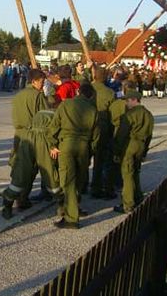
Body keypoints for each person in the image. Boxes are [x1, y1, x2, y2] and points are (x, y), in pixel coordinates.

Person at [50, 83, 100, 229]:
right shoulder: (93, 110)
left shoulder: (66, 105)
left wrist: (53, 144)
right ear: (90, 95)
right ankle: (74, 207)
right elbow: (96, 136)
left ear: (78, 92)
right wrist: (91, 151)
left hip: (67, 144)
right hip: (83, 146)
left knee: (68, 181)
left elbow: (55, 125)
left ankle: (71, 218)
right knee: (79, 179)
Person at [1, 109, 60, 219]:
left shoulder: (38, 114)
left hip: (29, 136)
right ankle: (63, 205)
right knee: (51, 175)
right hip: (45, 140)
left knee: (20, 175)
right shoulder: (56, 114)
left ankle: (7, 204)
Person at [113, 90, 154, 213]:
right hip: (141, 144)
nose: (126, 103)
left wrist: (116, 151)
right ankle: (138, 196)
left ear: (134, 100)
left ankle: (128, 203)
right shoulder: (148, 114)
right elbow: (149, 135)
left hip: (130, 144)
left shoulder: (129, 115)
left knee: (127, 174)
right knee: (136, 171)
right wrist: (145, 150)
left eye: (128, 100)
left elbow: (121, 134)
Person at [90, 68, 116, 199]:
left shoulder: (87, 88)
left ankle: (82, 186)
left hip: (87, 126)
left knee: (84, 159)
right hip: (103, 127)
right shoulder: (110, 93)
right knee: (101, 159)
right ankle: (98, 186)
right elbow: (113, 113)